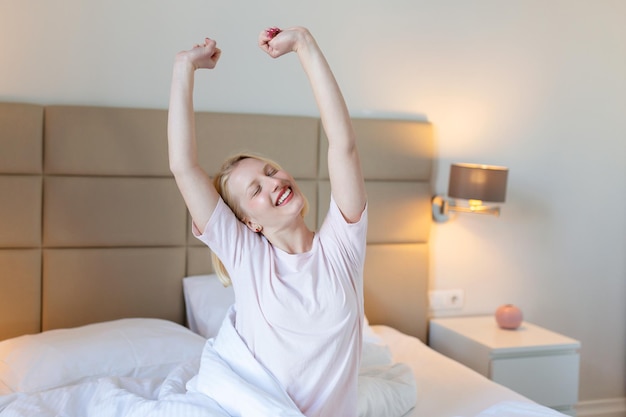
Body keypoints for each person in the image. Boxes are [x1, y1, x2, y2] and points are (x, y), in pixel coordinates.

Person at [168, 26, 367, 417]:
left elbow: (343, 143)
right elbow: (183, 166)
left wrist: (305, 44)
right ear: (248, 222)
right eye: (255, 190)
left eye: (272, 171)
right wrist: (184, 67)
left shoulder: (343, 245)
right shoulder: (247, 257)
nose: (275, 183)